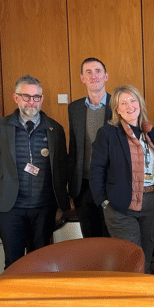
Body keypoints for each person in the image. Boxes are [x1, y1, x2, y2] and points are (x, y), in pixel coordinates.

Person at [0, 74, 70, 269]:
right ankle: (14, 299)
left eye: (36, 97)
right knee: (13, 263)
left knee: (39, 263)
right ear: (16, 98)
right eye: (26, 96)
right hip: (10, 208)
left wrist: (60, 204)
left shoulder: (55, 129)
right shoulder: (0, 127)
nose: (32, 101)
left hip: (44, 208)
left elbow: (62, 169)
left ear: (42, 98)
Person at [89, 84, 154, 273]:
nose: (129, 106)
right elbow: (96, 171)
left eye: (133, 100)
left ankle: (146, 299)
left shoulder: (151, 132)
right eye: (123, 103)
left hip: (152, 202)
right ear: (117, 110)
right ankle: (130, 301)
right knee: (130, 260)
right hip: (121, 206)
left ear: (140, 104)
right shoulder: (108, 134)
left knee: (148, 256)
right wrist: (104, 202)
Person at [68, 57, 111, 238]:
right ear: (82, 78)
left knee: (110, 242)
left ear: (106, 76)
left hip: (110, 185)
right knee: (90, 242)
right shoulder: (74, 108)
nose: (94, 76)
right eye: (88, 72)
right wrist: (71, 190)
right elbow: (74, 148)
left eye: (98, 71)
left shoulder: (119, 105)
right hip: (83, 187)